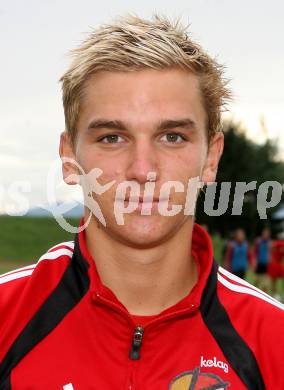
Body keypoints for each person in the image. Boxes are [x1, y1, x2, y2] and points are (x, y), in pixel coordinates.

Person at [0, 14, 283, 390]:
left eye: (172, 137)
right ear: (70, 159)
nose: (143, 169)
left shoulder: (273, 339)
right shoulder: (7, 318)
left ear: (211, 159)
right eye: (112, 138)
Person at [254, 227, 272, 291]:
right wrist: (255, 262)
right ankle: (253, 291)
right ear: (262, 234)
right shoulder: (258, 241)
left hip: (266, 264)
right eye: (265, 233)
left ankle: (264, 294)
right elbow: (255, 252)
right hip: (259, 263)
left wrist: (270, 261)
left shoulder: (269, 242)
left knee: (266, 283)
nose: (266, 235)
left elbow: (270, 252)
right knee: (257, 280)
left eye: (267, 234)